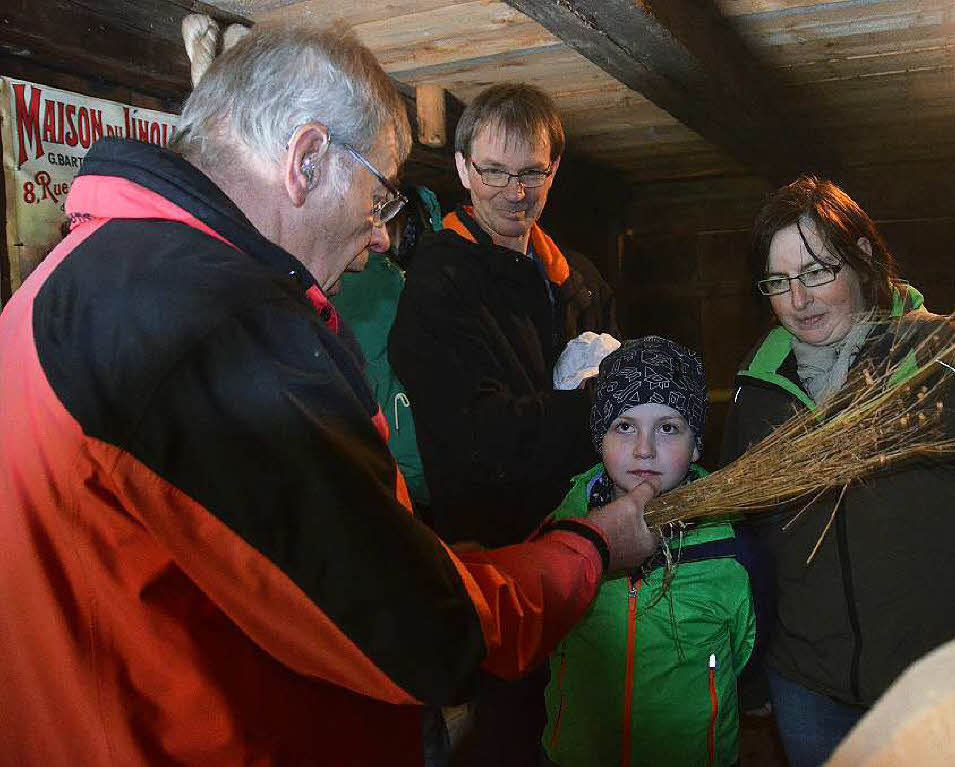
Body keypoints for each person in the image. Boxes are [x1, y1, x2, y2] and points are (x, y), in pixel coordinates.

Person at [0, 23, 662, 766]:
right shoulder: (220, 329)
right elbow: (432, 636)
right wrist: (595, 544)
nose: (381, 238)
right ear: (307, 158)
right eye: (379, 194)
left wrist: (421, 553)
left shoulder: (69, 275)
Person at [721, 176, 955, 766]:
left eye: (815, 272)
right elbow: (748, 541)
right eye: (778, 282)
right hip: (810, 689)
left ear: (861, 258)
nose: (797, 301)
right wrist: (754, 671)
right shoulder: (758, 390)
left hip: (948, 681)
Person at [389, 83, 618, 765]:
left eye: (531, 172)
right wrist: (605, 406)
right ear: (463, 170)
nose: (514, 191)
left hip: (592, 550)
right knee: (516, 738)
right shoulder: (438, 288)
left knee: (593, 723)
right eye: (495, 170)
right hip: (502, 568)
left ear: (554, 170)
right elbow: (483, 437)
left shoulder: (579, 279)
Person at [543, 336, 756, 767]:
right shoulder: (562, 533)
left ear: (697, 444)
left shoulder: (728, 544)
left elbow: (745, 643)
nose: (644, 448)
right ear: (599, 437)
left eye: (668, 427)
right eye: (625, 426)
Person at [332, 186, 443, 514]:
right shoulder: (378, 283)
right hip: (404, 482)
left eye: (387, 220)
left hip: (392, 482)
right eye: (372, 218)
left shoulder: (395, 282)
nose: (378, 239)